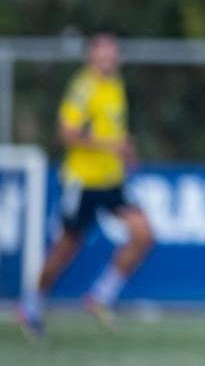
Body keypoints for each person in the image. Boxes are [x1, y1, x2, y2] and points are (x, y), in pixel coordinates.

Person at [16, 34, 155, 338]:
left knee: (144, 234)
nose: (108, 60)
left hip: (112, 182)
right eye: (102, 55)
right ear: (90, 58)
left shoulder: (115, 85)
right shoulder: (83, 87)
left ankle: (100, 296)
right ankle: (32, 303)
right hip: (83, 182)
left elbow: (113, 131)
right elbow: (67, 133)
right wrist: (111, 145)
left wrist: (126, 152)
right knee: (66, 248)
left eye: (112, 54)